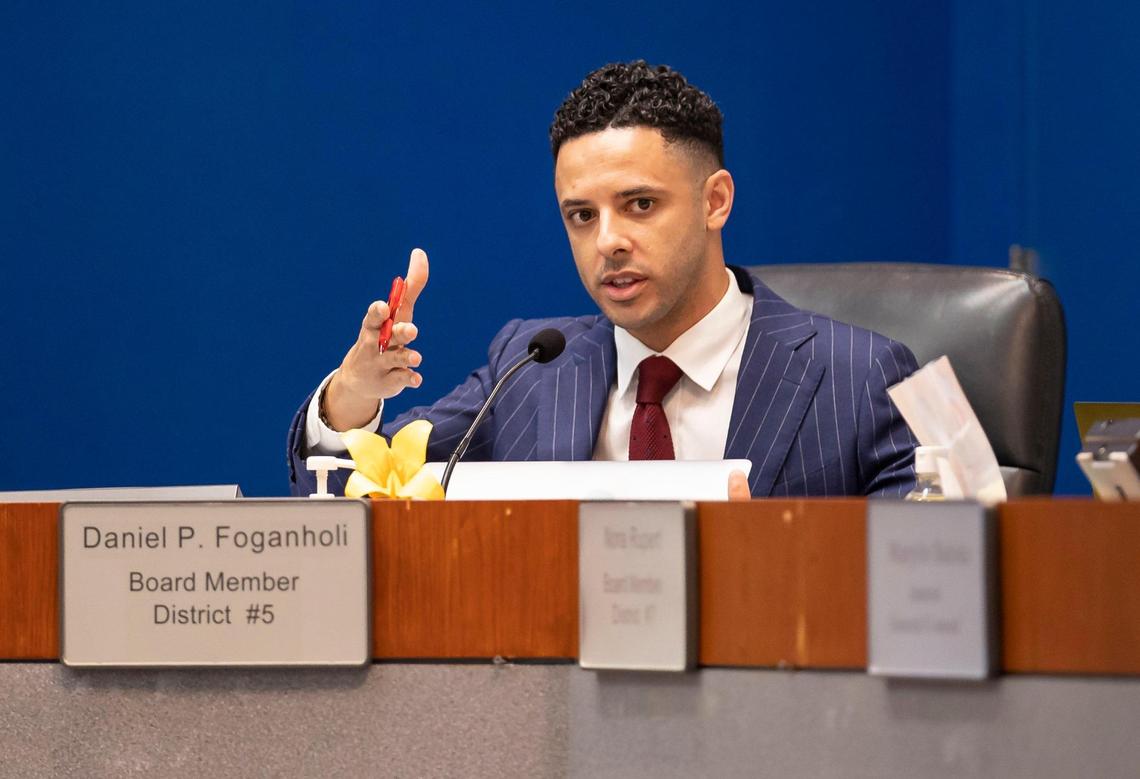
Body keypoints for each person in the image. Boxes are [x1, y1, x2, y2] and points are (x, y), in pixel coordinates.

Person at [287, 61, 918, 498]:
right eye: (581, 216)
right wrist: (354, 393)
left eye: (640, 204)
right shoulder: (531, 368)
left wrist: (772, 564)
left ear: (714, 202)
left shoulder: (860, 376)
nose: (608, 241)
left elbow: (935, 580)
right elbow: (341, 494)